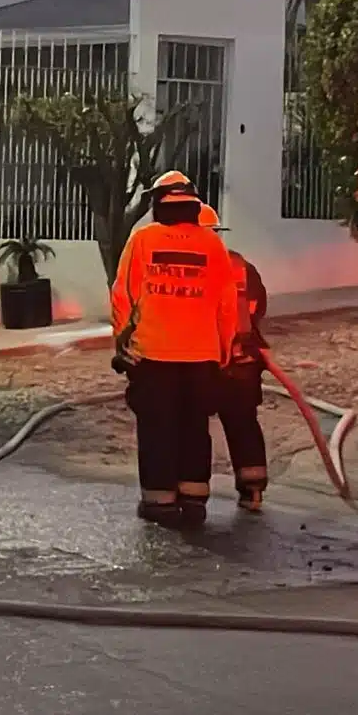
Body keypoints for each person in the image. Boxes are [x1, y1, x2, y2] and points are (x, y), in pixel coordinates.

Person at [110, 171, 238, 526]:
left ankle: (159, 502)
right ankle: (194, 499)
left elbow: (123, 296)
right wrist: (224, 352)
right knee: (195, 427)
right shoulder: (213, 246)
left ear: (158, 202)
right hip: (202, 357)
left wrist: (123, 344)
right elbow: (227, 306)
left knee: (157, 427)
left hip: (153, 356)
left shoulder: (142, 241)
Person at [198, 203, 271, 513]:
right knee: (243, 424)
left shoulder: (191, 266)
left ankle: (193, 491)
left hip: (202, 360)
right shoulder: (240, 265)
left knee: (193, 426)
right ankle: (252, 490)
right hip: (244, 362)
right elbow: (259, 307)